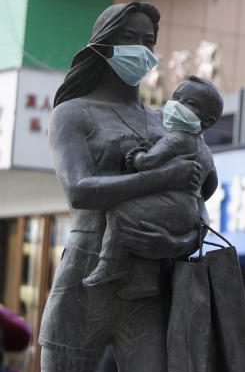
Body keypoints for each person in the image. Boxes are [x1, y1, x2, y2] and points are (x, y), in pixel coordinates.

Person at [40, 1, 206, 372]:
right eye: (133, 37)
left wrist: (177, 233)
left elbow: (198, 206)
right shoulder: (73, 114)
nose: (144, 50)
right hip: (81, 287)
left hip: (148, 293)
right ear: (105, 43)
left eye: (150, 41)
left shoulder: (168, 122)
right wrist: (166, 175)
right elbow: (80, 190)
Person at [84, 75, 222, 286]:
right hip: (188, 212)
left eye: (190, 104)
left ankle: (110, 264)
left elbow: (148, 161)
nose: (178, 106)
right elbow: (210, 187)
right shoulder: (207, 152)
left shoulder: (177, 137)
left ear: (208, 121)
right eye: (177, 98)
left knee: (119, 212)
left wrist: (136, 156)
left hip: (171, 207)